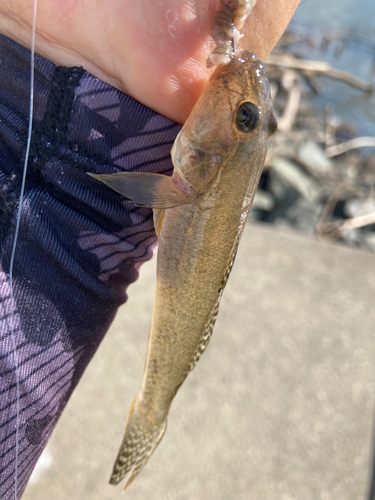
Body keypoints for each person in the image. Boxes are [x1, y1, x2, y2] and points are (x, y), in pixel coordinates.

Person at [0, 1, 299, 498]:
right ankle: (151, 410)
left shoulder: (194, 180)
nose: (242, 105)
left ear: (216, 162)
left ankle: (151, 409)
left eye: (245, 118)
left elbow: (126, 191)